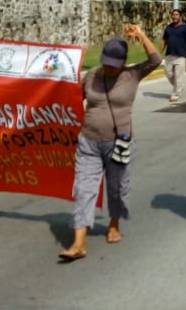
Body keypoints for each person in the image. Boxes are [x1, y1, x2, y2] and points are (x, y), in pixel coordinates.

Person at [59, 24, 161, 261]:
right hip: (89, 143)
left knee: (116, 189)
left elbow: (156, 59)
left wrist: (141, 35)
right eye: (105, 61)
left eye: (113, 64)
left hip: (119, 144)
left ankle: (114, 223)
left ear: (122, 62)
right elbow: (74, 99)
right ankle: (79, 243)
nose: (108, 67)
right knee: (84, 190)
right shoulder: (92, 75)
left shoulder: (133, 74)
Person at [161, 8, 186, 102]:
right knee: (168, 73)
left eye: (176, 15)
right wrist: (159, 52)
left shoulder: (185, 27)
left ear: (180, 16)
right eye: (173, 15)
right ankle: (178, 86)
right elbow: (164, 41)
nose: (174, 16)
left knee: (178, 76)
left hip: (181, 55)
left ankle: (175, 93)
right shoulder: (168, 27)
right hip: (169, 54)